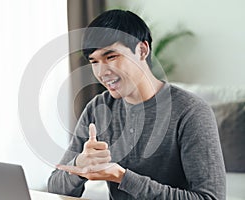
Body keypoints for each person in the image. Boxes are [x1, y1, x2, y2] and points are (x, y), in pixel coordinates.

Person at [47, 9, 226, 200]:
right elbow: (55, 187)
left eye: (111, 57)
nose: (102, 72)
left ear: (142, 50)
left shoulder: (191, 111)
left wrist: (122, 177)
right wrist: (79, 165)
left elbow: (210, 198)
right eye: (94, 61)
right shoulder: (97, 108)